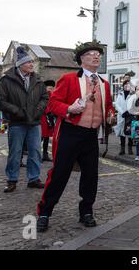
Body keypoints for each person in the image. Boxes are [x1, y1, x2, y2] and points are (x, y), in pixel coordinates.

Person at [36, 41, 114, 232]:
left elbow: (108, 106)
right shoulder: (69, 79)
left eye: (98, 54)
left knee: (90, 176)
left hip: (91, 136)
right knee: (60, 174)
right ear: (82, 59)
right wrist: (69, 108)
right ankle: (45, 212)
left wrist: (110, 115)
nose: (96, 56)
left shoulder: (104, 84)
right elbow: (53, 104)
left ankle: (86, 211)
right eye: (91, 54)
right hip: (70, 133)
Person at [0, 46, 48, 193]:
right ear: (20, 65)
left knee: (35, 152)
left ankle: (33, 178)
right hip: (16, 122)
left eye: (32, 62)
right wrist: (18, 112)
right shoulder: (6, 80)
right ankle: (12, 180)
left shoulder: (38, 79)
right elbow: (2, 101)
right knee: (15, 152)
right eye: (28, 62)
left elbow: (44, 98)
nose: (32, 64)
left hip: (34, 122)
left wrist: (38, 111)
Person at [113, 80, 134, 155]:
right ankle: (122, 150)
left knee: (129, 132)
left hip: (129, 116)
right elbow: (117, 104)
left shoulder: (132, 95)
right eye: (125, 84)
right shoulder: (120, 94)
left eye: (128, 85)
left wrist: (128, 112)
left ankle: (130, 149)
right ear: (123, 86)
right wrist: (122, 112)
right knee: (122, 133)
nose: (127, 86)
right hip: (121, 116)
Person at [41, 80, 56, 162]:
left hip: (49, 118)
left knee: (46, 137)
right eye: (49, 87)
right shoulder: (42, 94)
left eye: (52, 88)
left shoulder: (52, 94)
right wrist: (48, 111)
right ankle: (36, 155)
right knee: (41, 137)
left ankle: (45, 154)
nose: (50, 89)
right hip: (43, 117)